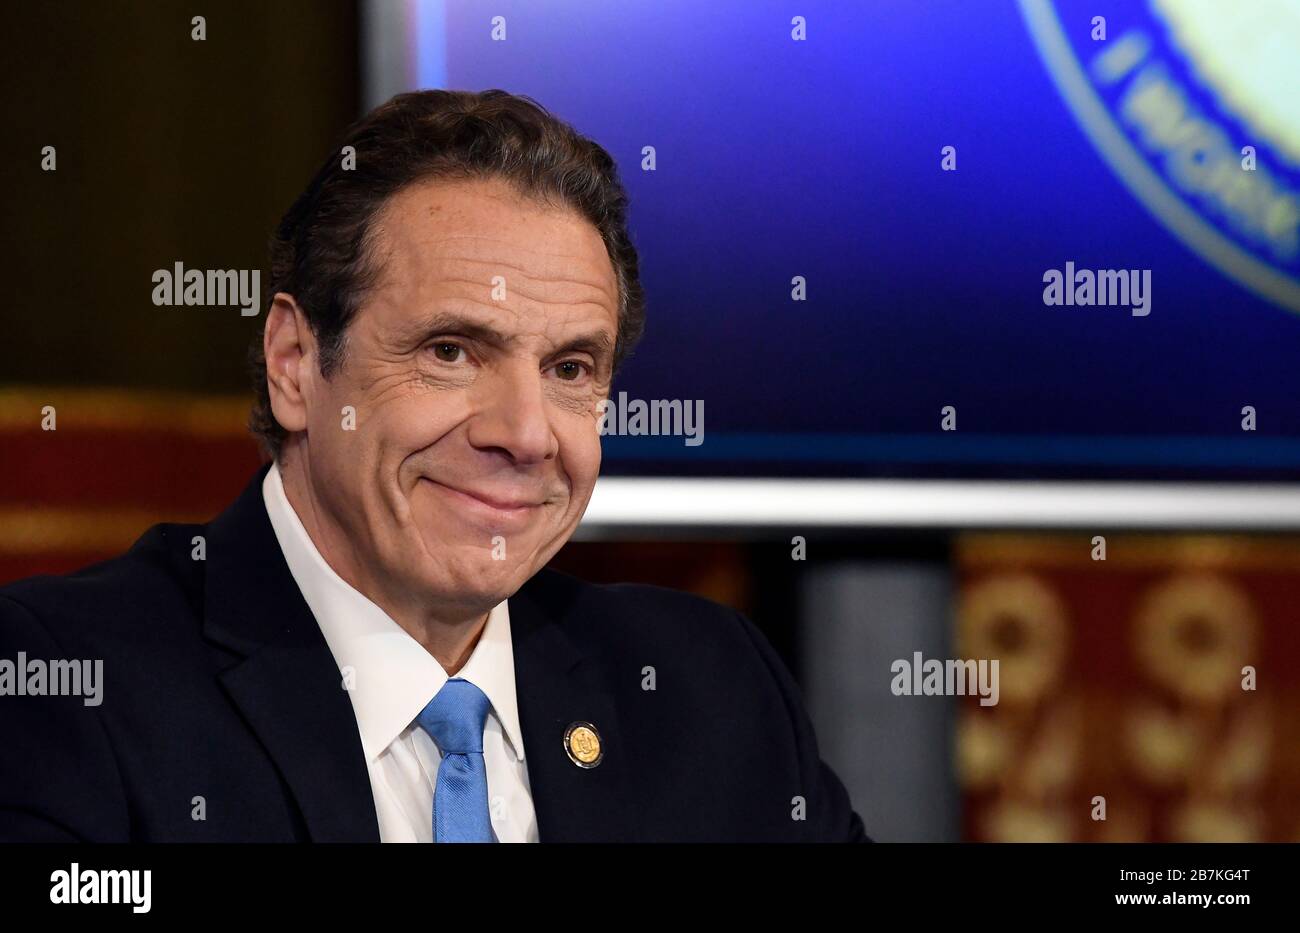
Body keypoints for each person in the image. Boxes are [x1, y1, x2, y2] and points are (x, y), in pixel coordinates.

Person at [0, 89, 868, 842]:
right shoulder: (65, 691)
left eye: (570, 370)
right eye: (452, 351)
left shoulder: (710, 691)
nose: (526, 434)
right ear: (297, 365)